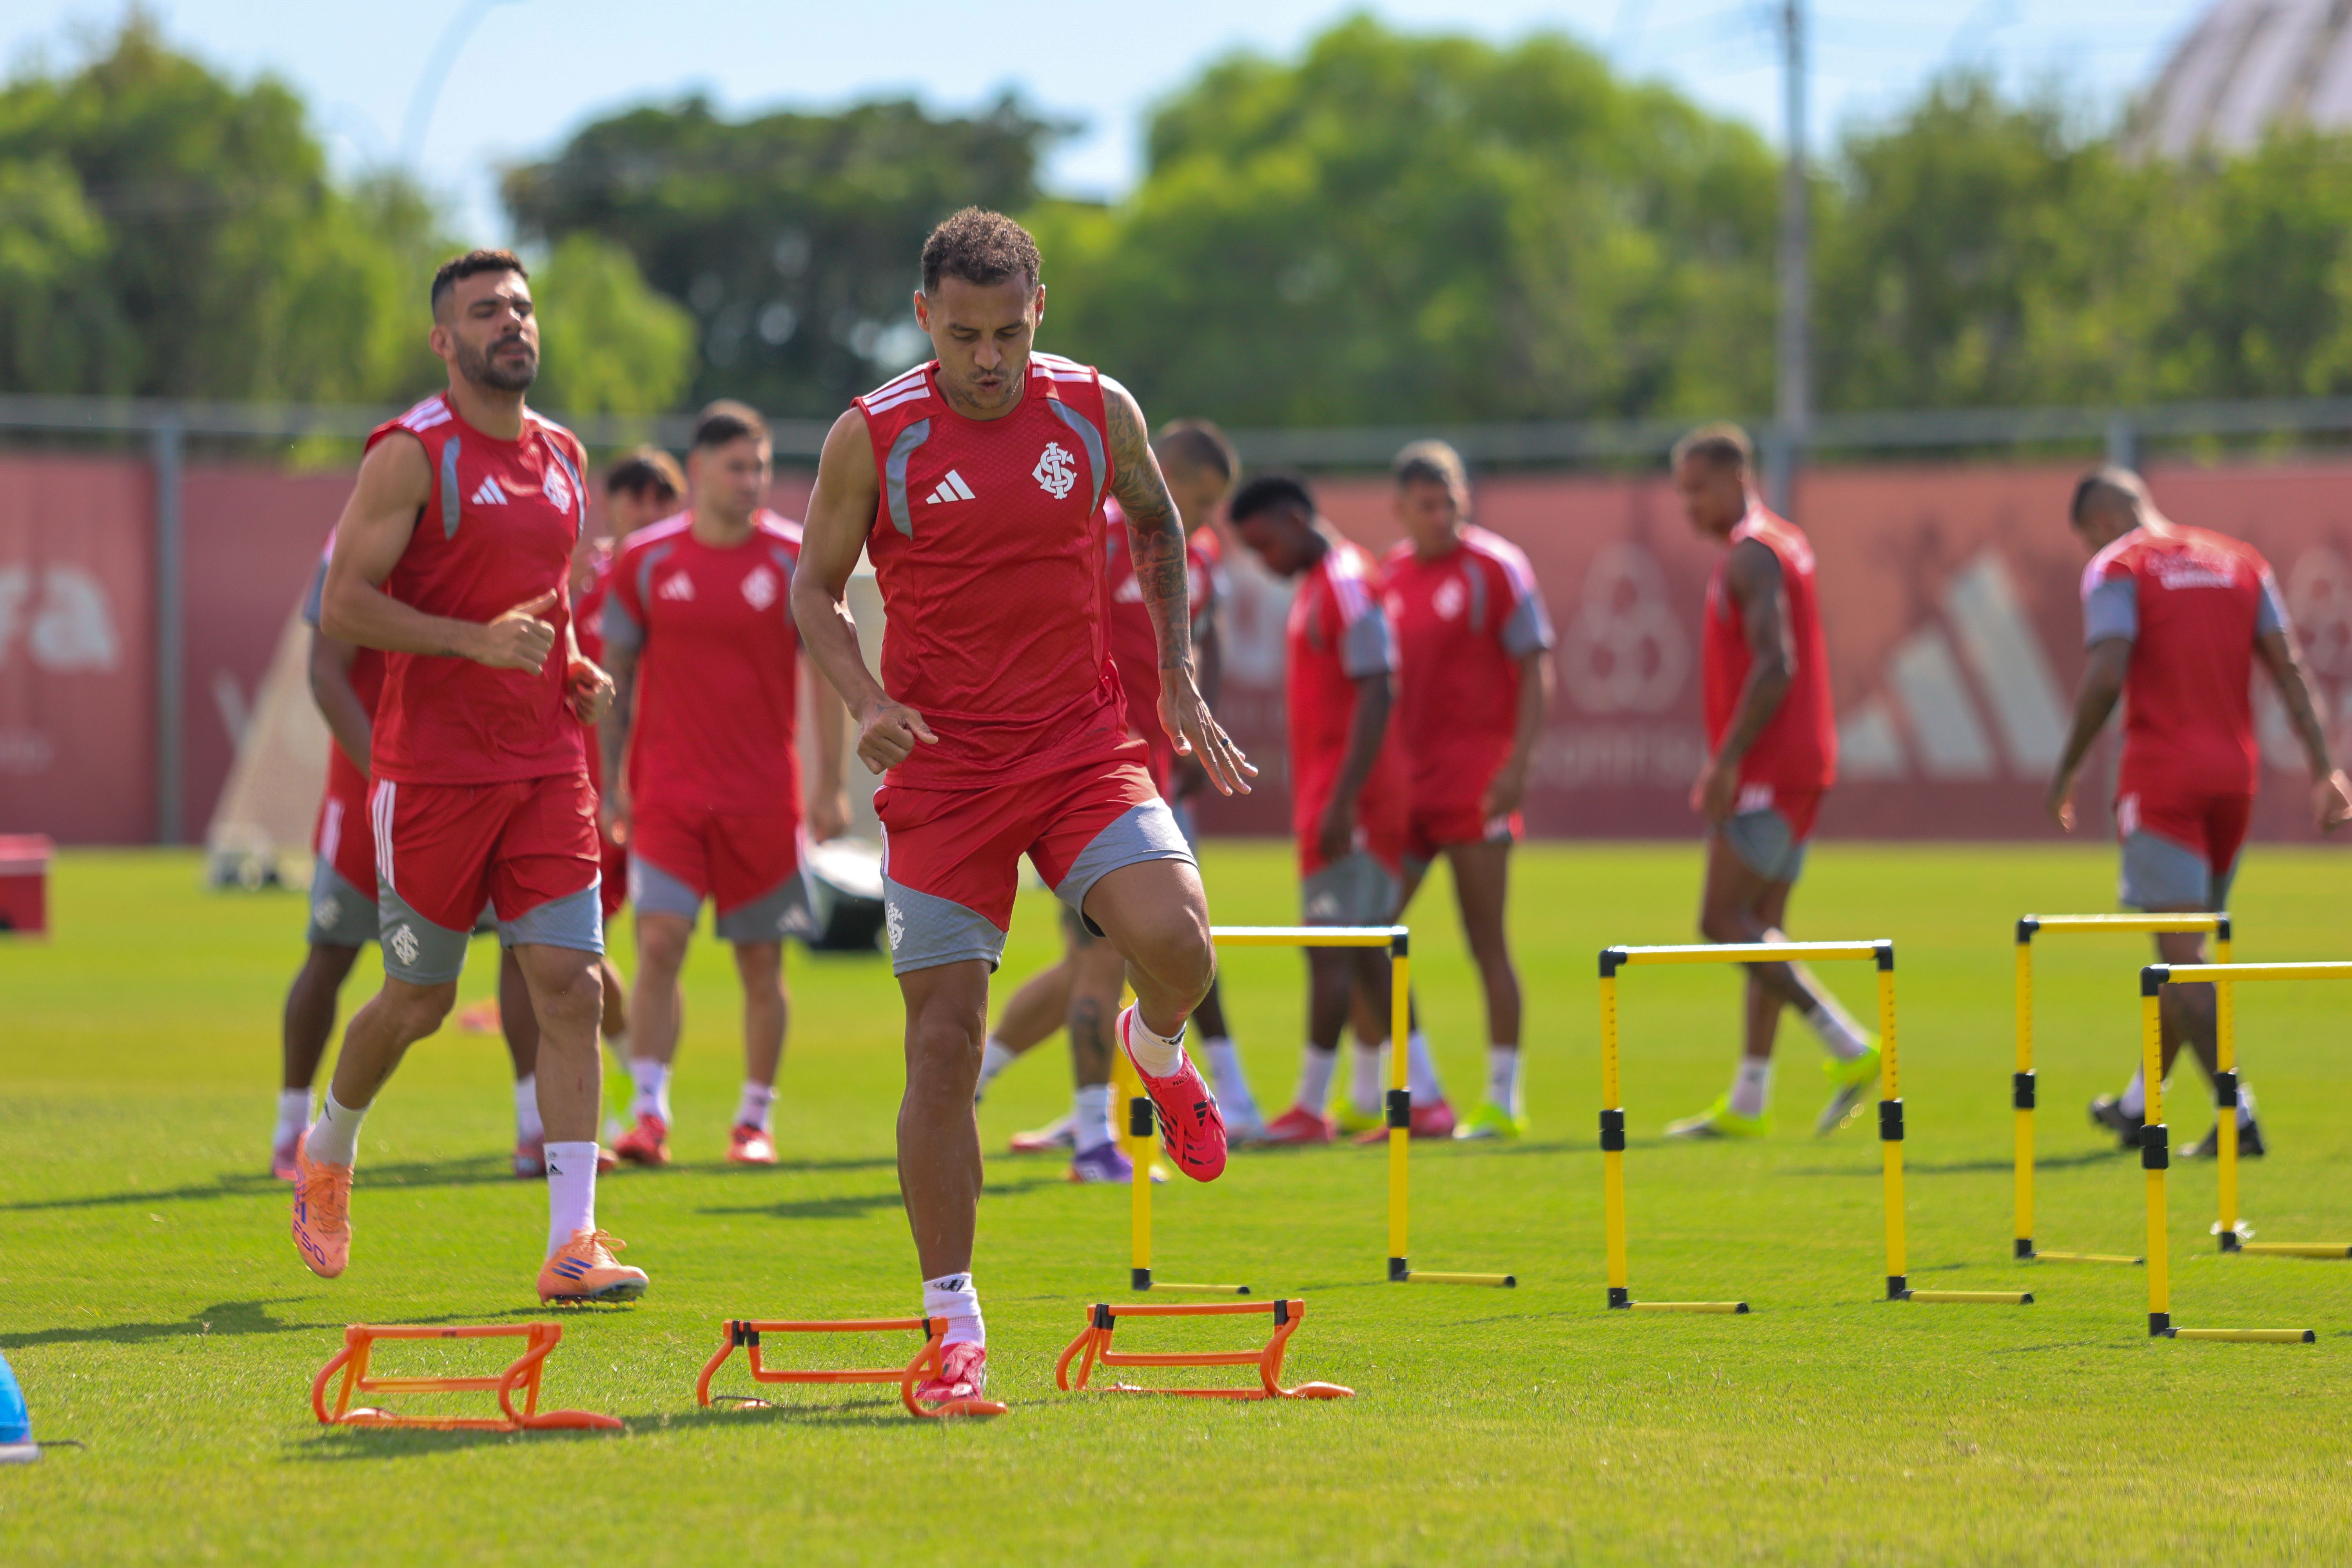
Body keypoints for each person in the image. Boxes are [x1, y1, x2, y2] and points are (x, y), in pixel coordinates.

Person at [790, 208, 1252, 1408]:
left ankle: (1155, 1051)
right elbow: (815, 589)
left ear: (1038, 313)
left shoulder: (1099, 410)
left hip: (1078, 741)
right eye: (961, 336)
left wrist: (1177, 672)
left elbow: (1156, 522)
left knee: (1181, 944)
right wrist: (861, 695)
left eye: (1005, 332)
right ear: (923, 322)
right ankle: (955, 1329)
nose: (986, 359)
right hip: (942, 768)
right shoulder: (873, 437)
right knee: (942, 1046)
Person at [299, 248, 643, 1305]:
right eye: (488, 310)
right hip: (433, 776)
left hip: (546, 767)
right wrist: (469, 643)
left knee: (572, 988)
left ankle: (573, 1243)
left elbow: (546, 605)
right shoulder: (412, 455)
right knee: (417, 1000)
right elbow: (345, 608)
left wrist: (575, 669)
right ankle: (328, 1149)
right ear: (444, 341)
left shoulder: (564, 457)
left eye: (524, 308)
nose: (514, 324)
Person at [975, 419, 1270, 1170]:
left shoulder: (1191, 559)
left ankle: (975, 1079)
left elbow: (1195, 647)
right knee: (1103, 966)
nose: (1201, 519)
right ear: (1155, 471)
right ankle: (1094, 1138)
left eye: (1210, 507)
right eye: (1194, 498)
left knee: (1098, 963)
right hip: (1080, 777)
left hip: (1150, 784)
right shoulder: (1090, 532)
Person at [2047, 466, 2352, 1156]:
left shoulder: (2116, 564)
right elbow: (2291, 667)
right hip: (2232, 784)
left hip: (2163, 783)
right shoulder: (2242, 562)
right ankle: (2137, 1104)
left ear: (2097, 522)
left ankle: (2236, 1115)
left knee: (2180, 961)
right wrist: (2324, 768)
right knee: (2189, 953)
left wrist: (2066, 769)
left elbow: (2106, 673)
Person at [599, 403, 849, 1168]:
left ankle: (754, 1119)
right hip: (668, 794)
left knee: (760, 963)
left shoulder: (791, 559)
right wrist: (611, 785)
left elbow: (829, 675)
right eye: (738, 467)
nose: (753, 482)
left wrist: (832, 784)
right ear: (700, 470)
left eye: (762, 468)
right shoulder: (643, 561)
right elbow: (617, 679)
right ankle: (647, 1111)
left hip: (764, 798)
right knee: (659, 940)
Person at [272, 534, 548, 1181]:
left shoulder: (497, 529)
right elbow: (326, 672)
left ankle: (535, 1128)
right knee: (334, 951)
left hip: (474, 783)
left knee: (524, 949)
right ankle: (292, 1129)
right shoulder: (355, 543)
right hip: (378, 781)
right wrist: (387, 777)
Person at [1662, 423, 1878, 1140]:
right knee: (1764, 932)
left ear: (1735, 479)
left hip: (1768, 770)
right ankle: (1750, 1098)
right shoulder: (1783, 540)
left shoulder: (1753, 555)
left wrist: (1726, 761)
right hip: (1803, 764)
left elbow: (1776, 663)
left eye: (1697, 489)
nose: (1688, 504)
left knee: (1721, 922)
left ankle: (1849, 1046)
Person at [1228, 474, 1452, 1144]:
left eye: (1267, 543)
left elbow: (1379, 688)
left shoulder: (1347, 580)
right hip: (1335, 796)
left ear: (1297, 519)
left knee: (1335, 948)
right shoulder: (1321, 585)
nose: (1265, 562)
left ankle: (1310, 1107)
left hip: (1353, 801)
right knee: (1360, 950)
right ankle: (1428, 1099)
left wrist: (1345, 798)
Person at [1379, 441, 1555, 1141]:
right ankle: (1419, 1090)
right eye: (1426, 505)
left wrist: (1518, 765)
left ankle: (1503, 1099)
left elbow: (1537, 666)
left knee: (1486, 938)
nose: (1441, 516)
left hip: (1476, 785)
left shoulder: (1496, 567)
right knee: (1368, 932)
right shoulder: (1389, 576)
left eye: (1450, 501)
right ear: (1400, 510)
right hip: (1409, 791)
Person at [565, 447, 687, 1094]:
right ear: (607, 504)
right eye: (634, 496)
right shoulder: (582, 580)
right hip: (583, 791)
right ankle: (630, 1074)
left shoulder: (686, 578)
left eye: (661, 496)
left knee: (662, 944)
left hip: (665, 787)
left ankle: (649, 1099)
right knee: (577, 946)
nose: (648, 509)